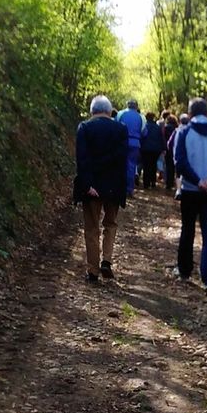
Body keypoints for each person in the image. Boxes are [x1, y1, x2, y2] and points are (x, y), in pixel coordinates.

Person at [72, 95, 128, 283]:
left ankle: (93, 270)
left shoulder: (85, 128)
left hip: (92, 188)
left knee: (92, 228)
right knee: (111, 225)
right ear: (109, 110)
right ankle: (107, 260)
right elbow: (122, 160)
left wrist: (87, 185)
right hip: (114, 187)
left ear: (92, 111)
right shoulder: (121, 129)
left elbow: (82, 159)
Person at [173, 98, 207, 296]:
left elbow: (180, 162)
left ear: (191, 113)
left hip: (189, 190)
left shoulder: (184, 132)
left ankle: (185, 270)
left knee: (187, 229)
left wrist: (197, 181)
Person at [117, 99, 145, 196]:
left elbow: (116, 127)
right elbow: (144, 132)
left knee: (121, 164)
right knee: (132, 166)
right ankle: (130, 189)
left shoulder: (121, 114)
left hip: (123, 142)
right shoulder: (140, 117)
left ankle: (121, 188)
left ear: (127, 105)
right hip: (135, 143)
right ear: (136, 107)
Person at [140, 112, 165, 188]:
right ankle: (153, 182)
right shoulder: (157, 127)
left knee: (146, 165)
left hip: (145, 149)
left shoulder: (145, 127)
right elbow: (161, 138)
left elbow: (142, 137)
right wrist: (163, 148)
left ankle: (146, 183)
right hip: (156, 150)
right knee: (153, 165)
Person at [162, 114, 178, 190]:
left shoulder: (165, 127)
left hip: (167, 149)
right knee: (173, 166)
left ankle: (167, 183)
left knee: (168, 166)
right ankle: (172, 182)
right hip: (174, 149)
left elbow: (163, 138)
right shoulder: (176, 128)